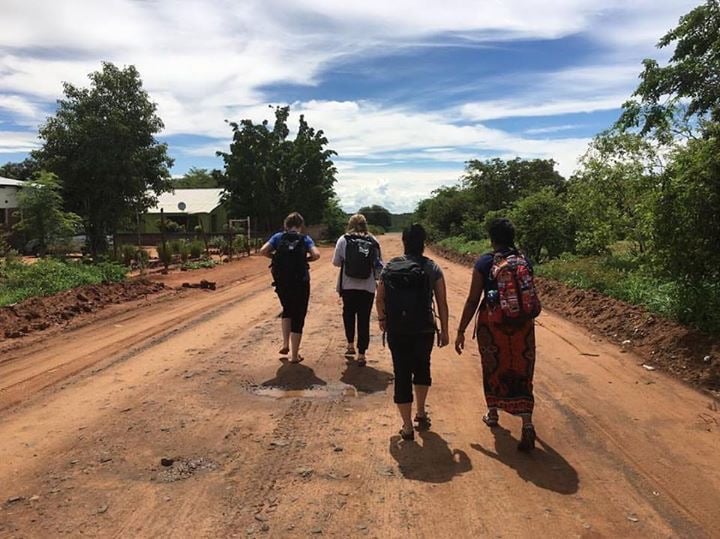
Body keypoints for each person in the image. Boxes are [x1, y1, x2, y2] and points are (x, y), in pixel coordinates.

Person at [454, 218, 538, 451]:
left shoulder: (485, 262)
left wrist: (461, 330)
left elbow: (473, 299)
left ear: (492, 239)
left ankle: (492, 413)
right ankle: (527, 423)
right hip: (523, 326)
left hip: (492, 325)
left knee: (492, 366)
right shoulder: (524, 261)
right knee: (523, 370)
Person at [376, 224, 449, 441]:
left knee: (401, 373)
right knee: (422, 367)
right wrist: (444, 331)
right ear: (424, 243)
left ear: (404, 242)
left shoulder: (391, 266)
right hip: (424, 328)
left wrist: (383, 319)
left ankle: (407, 426)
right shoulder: (432, 267)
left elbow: (379, 298)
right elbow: (442, 303)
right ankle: (421, 411)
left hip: (397, 329)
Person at [260, 212, 321, 363]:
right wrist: (305, 260)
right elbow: (316, 255)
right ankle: (294, 355)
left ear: (286, 225)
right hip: (300, 281)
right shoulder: (305, 239)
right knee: (298, 315)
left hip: (282, 281)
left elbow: (263, 251)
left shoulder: (278, 237)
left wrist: (276, 257)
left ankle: (285, 344)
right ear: (301, 225)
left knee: (287, 310)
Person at [332, 214, 383, 367]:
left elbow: (336, 262)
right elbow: (378, 265)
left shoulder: (343, 239)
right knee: (364, 319)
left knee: (348, 315)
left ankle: (350, 345)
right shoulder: (373, 241)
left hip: (348, 286)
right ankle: (362, 354)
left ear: (350, 224)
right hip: (367, 287)